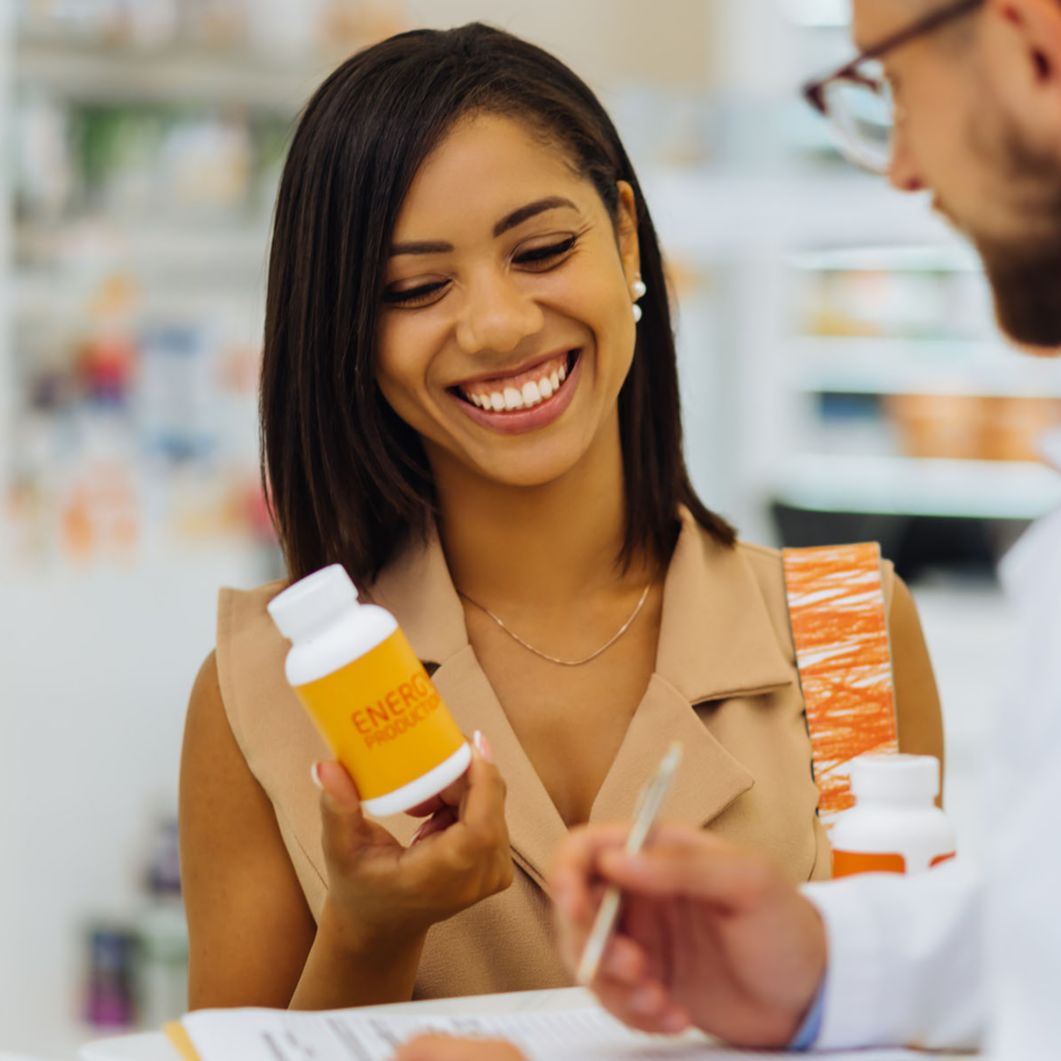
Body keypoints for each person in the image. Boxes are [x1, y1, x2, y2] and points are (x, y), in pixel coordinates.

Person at [178, 22, 944, 1015]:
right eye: (415, 287)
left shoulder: (850, 628)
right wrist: (372, 928)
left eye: (540, 249)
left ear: (624, 235)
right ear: (346, 331)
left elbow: (921, 1023)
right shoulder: (258, 691)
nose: (496, 324)